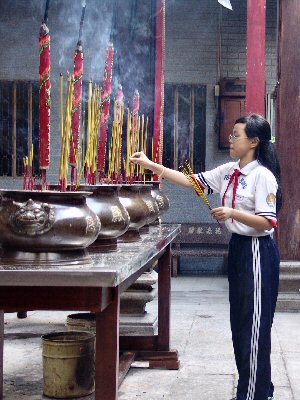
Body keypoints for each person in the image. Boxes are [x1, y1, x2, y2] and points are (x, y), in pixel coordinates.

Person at [130, 114, 281, 400]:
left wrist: (232, 213)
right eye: (232, 134)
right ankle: (250, 389)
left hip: (258, 253)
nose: (231, 139)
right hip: (238, 248)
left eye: (236, 135)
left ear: (254, 141)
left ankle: (257, 393)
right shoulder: (228, 171)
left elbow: (268, 222)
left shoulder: (263, 176)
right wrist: (152, 166)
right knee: (239, 324)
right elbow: (191, 181)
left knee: (255, 326)